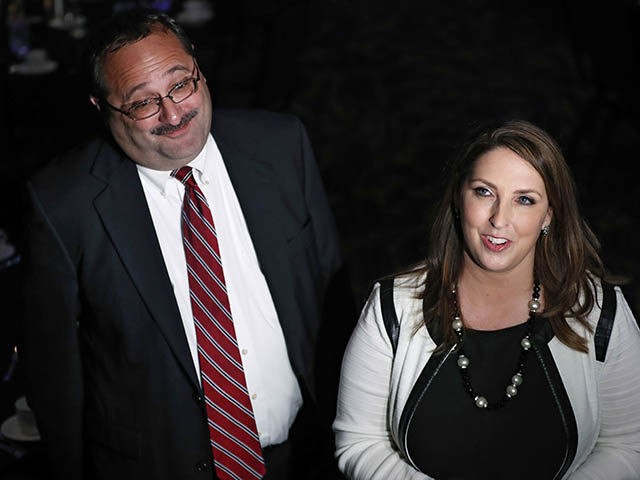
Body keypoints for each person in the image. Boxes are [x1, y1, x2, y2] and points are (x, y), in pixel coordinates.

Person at [19, 8, 353, 480]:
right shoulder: (62, 205)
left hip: (305, 455)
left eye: (181, 85)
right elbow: (54, 376)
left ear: (199, 67)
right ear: (101, 106)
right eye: (142, 103)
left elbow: (331, 295)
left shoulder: (282, 145)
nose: (174, 114)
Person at [333, 119, 640, 479]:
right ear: (458, 198)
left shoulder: (599, 311)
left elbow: (626, 445)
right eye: (484, 192)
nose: (499, 219)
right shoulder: (392, 307)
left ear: (548, 216)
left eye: (524, 200)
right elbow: (360, 441)